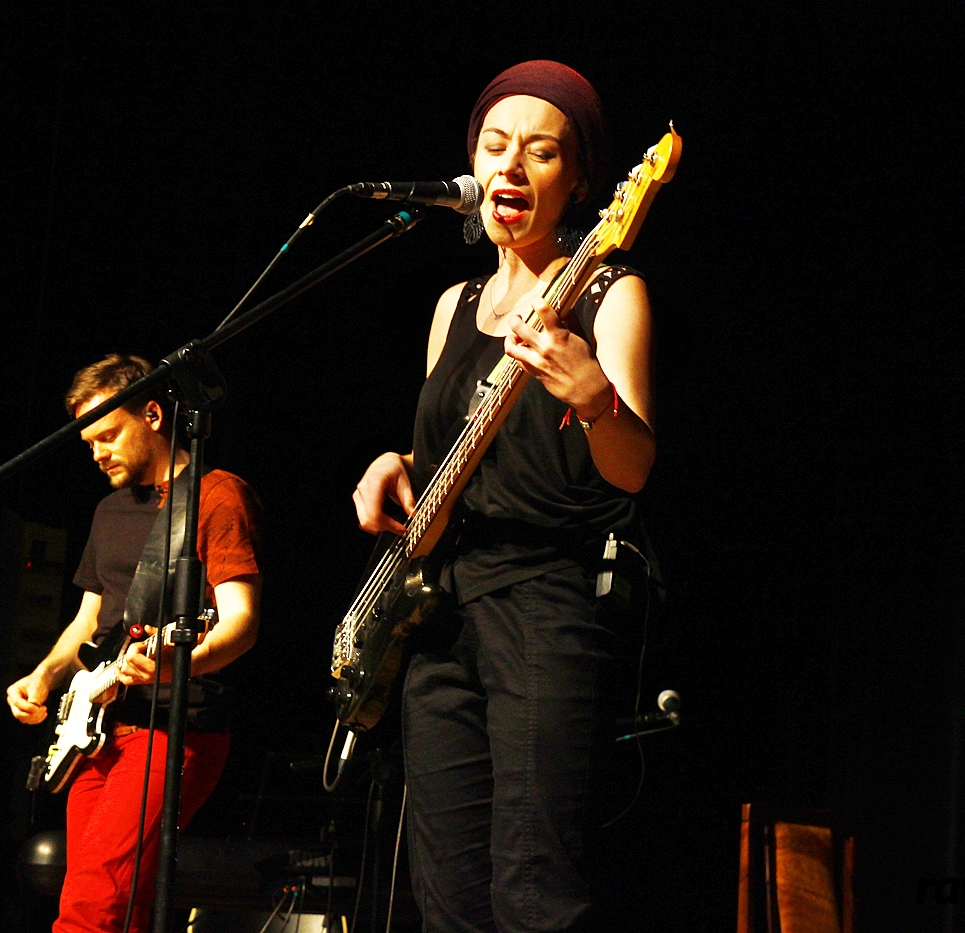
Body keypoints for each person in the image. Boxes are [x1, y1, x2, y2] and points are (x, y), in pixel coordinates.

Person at [351, 61, 657, 933]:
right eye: (494, 146)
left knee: (534, 893)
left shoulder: (608, 293)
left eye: (541, 151)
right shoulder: (455, 304)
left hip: (545, 606)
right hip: (440, 617)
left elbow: (633, 469)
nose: (510, 166)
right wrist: (394, 462)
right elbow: (449, 453)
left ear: (581, 182)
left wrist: (593, 399)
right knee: (447, 901)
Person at [7, 354, 263, 933]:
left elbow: (241, 623)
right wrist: (44, 676)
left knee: (94, 901)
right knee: (109, 900)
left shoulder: (217, 496)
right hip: (97, 730)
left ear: (152, 414)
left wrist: (180, 664)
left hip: (175, 727)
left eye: (107, 435)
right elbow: (89, 620)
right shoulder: (109, 510)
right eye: (88, 443)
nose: (97, 453)